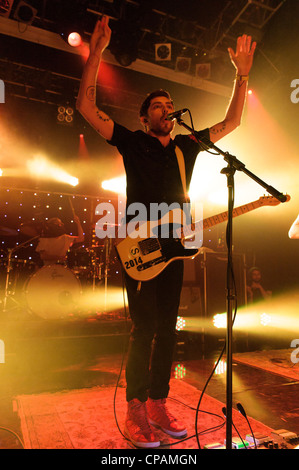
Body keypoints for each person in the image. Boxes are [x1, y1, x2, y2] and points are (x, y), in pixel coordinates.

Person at [76, 16, 256, 448]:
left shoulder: (186, 147)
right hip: (139, 245)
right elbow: (85, 108)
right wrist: (96, 53)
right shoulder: (132, 142)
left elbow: (231, 124)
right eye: (157, 105)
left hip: (174, 248)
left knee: (167, 327)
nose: (166, 108)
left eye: (169, 103)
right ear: (144, 118)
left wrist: (242, 75)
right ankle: (135, 403)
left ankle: (158, 399)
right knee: (143, 328)